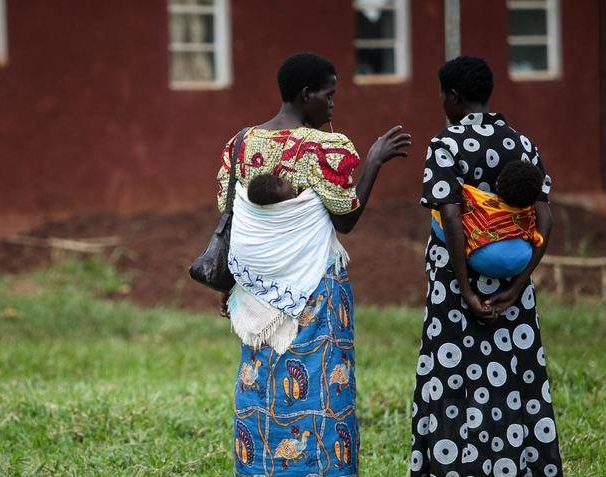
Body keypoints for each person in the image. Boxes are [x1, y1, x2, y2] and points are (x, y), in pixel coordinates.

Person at [216, 52, 410, 476]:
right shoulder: (326, 147)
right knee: (323, 384)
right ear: (307, 95)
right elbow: (347, 218)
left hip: (256, 291)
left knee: (261, 381)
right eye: (329, 93)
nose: (333, 103)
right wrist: (374, 160)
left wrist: (232, 282)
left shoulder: (240, 144)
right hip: (315, 287)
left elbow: (231, 214)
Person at [411, 56, 563, 477]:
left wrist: (466, 289)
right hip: (511, 287)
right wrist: (517, 285)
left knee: (452, 377)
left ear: (454, 96)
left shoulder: (446, 144)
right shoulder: (522, 144)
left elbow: (453, 218)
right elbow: (545, 217)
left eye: (443, 95)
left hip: (456, 287)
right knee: (513, 378)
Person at [431, 160, 546, 278]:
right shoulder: (528, 211)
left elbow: (450, 207)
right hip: (521, 262)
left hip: (485, 260)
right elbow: (546, 223)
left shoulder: (476, 198)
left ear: (498, 181)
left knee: (439, 216)